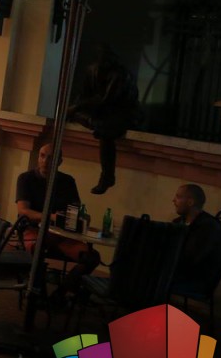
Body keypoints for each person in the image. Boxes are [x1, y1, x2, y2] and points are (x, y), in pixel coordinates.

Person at [15, 143, 101, 305]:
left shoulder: (67, 181)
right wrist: (51, 217)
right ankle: (38, 296)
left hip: (62, 234)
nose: (45, 161)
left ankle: (60, 294)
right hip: (34, 230)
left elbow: (75, 209)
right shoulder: (26, 178)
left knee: (91, 257)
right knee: (37, 249)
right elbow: (23, 210)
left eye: (51, 158)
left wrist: (82, 218)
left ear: (59, 161)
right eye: (42, 156)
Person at [68, 44, 139, 195]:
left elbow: (107, 100)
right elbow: (84, 94)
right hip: (98, 112)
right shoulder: (92, 70)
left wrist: (79, 106)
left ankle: (107, 176)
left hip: (119, 113)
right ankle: (94, 123)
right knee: (73, 115)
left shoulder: (120, 75)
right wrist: (76, 107)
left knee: (105, 131)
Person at [170, 183, 221, 296]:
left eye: (178, 197)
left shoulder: (208, 227)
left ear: (190, 202)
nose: (173, 200)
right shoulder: (178, 222)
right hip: (177, 273)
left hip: (195, 280)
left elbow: (192, 259)